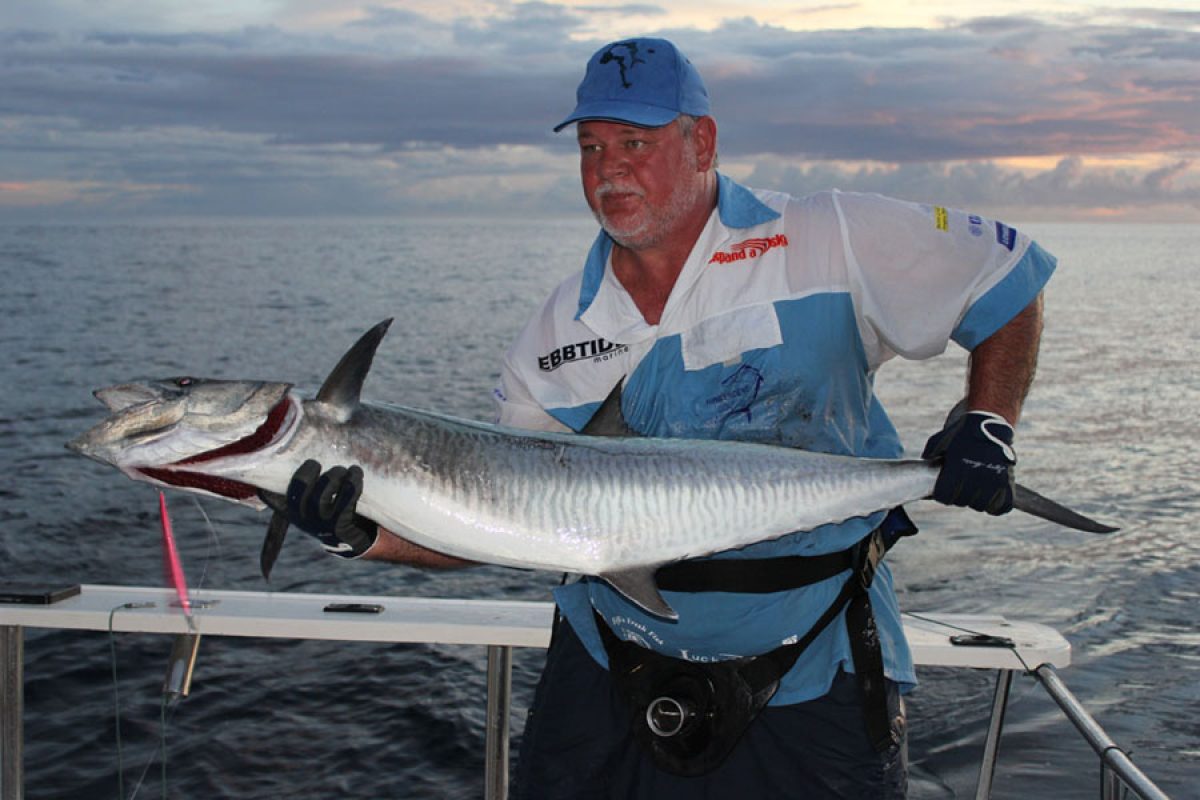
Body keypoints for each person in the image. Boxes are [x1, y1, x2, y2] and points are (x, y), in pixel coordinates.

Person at [268, 37, 1053, 798]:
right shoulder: (551, 340)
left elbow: (1006, 277)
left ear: (701, 140)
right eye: (591, 147)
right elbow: (496, 526)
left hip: (813, 666)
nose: (609, 170)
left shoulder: (827, 235)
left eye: (635, 142)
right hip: (610, 666)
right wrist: (363, 533)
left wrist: (988, 420)